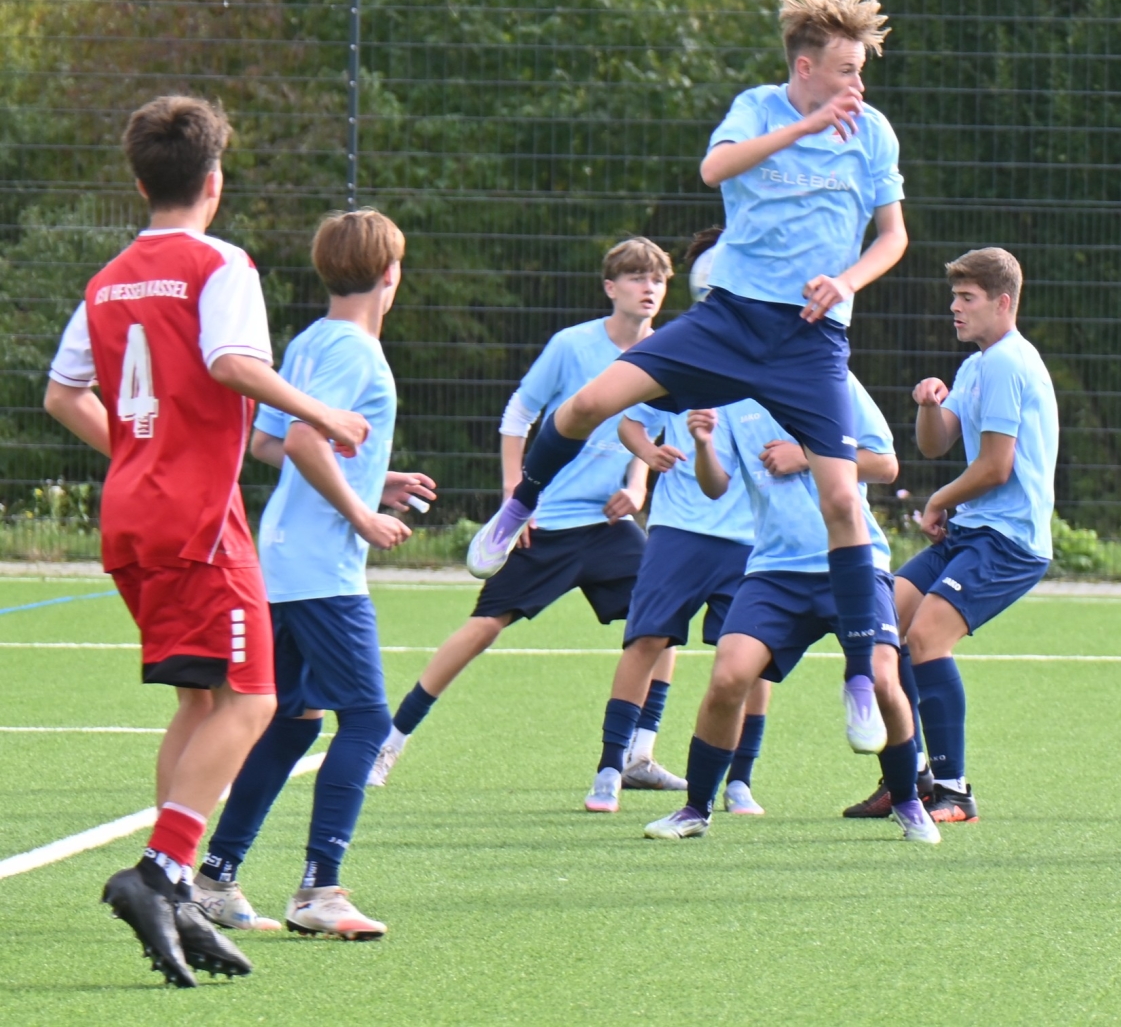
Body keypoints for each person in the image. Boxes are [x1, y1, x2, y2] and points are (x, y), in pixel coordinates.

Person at [463, 0, 909, 756]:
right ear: (805, 68)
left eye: (862, 71)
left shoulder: (872, 133)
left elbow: (893, 236)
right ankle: (518, 507)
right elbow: (715, 169)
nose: (857, 85)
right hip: (729, 321)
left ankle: (861, 676)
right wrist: (807, 126)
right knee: (587, 404)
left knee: (842, 500)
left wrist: (848, 282)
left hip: (809, 341)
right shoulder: (760, 109)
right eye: (846, 70)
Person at [44, 96, 370, 987]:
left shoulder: (108, 280)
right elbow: (232, 363)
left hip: (131, 512)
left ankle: (178, 892)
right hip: (195, 517)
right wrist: (322, 414)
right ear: (215, 182)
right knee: (254, 700)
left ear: (140, 180)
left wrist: (138, 454)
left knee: (200, 701)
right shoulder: (221, 263)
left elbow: (63, 393)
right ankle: (160, 875)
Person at [194, 210, 434, 940]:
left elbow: (269, 442)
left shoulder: (309, 340)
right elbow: (301, 438)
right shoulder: (357, 350)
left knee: (292, 724)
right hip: (321, 569)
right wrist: (362, 516)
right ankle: (320, 890)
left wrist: (375, 480)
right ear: (390, 273)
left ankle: (215, 879)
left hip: (283, 561)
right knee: (367, 720)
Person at [368, 238, 675, 789]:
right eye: (636, 277)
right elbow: (519, 414)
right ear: (611, 288)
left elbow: (649, 426)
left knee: (663, 617)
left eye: (657, 278)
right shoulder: (571, 345)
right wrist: (518, 499)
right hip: (547, 524)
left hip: (609, 528)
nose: (648, 287)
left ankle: (639, 756)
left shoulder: (665, 352)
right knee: (482, 628)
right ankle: (390, 742)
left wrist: (638, 484)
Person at [643, 373, 938, 844]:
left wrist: (804, 456)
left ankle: (907, 801)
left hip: (854, 560)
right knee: (728, 677)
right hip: (774, 571)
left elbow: (885, 465)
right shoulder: (730, 395)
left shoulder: (833, 379)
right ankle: (696, 808)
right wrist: (702, 444)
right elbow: (716, 487)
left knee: (884, 679)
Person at [845, 248, 1057, 825]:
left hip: (1008, 540)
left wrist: (939, 499)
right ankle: (907, 778)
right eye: (954, 297)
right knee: (885, 624)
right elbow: (935, 443)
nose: (954, 308)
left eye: (967, 298)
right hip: (971, 532)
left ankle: (954, 791)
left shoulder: (1010, 362)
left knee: (927, 637)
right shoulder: (977, 365)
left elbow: (996, 467)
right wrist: (928, 405)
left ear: (1003, 302)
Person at [585, 227, 775, 816]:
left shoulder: (778, 356)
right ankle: (610, 768)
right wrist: (647, 453)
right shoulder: (683, 351)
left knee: (752, 662)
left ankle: (740, 780)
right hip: (679, 530)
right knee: (646, 639)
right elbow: (629, 418)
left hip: (752, 539)